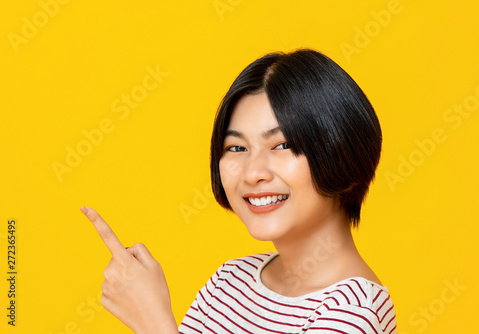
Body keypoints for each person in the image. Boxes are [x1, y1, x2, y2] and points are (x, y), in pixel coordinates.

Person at [81, 48, 397, 334]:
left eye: (283, 144)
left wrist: (152, 323)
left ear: (339, 149)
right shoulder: (231, 280)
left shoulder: (352, 313)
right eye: (236, 147)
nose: (252, 173)